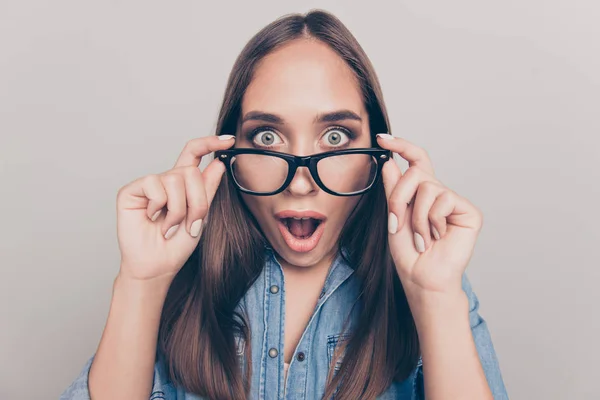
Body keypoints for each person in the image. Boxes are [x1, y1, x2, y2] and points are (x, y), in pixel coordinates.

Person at [60, 9, 508, 400]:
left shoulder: (436, 285)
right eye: (267, 136)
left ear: (378, 153)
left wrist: (435, 297)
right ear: (229, 150)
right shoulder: (177, 282)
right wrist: (141, 281)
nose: (299, 182)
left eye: (335, 137)